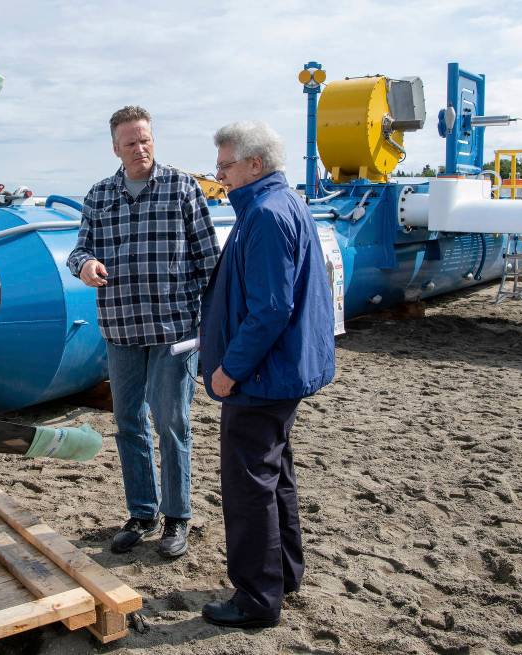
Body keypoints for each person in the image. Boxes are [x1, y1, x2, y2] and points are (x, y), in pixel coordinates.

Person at [198, 121, 335, 628]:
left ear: (255, 164)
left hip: (260, 378)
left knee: (249, 486)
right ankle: (285, 573)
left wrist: (229, 370)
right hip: (280, 375)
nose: (219, 175)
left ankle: (256, 599)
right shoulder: (284, 204)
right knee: (275, 476)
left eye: (225, 165)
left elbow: (270, 309)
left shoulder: (266, 214)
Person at [67, 106, 220, 558]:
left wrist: (211, 322)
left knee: (173, 423)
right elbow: (79, 250)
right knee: (128, 422)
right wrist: (86, 266)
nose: (141, 148)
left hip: (174, 329)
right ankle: (142, 512)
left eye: (146, 139)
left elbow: (209, 258)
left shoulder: (181, 187)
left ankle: (178, 518)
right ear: (116, 148)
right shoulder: (99, 196)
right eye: (131, 142)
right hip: (120, 327)